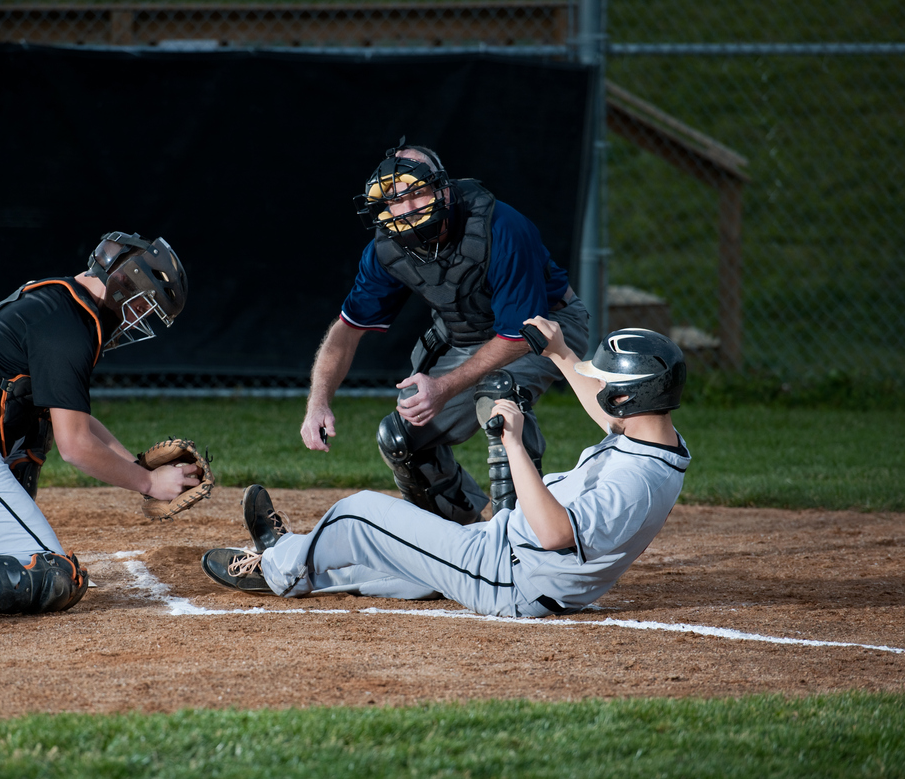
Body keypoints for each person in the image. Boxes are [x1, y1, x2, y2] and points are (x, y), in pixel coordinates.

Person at [204, 321, 690, 618]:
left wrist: (514, 444)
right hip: (508, 555)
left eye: (606, 380)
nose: (598, 384)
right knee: (382, 564)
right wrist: (561, 353)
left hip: (513, 577)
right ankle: (299, 565)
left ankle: (278, 564)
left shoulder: (637, 480)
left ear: (630, 396)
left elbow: (555, 534)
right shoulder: (655, 436)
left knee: (359, 514)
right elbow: (609, 416)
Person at [0, 232, 198, 625]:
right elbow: (75, 445)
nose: (138, 318)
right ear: (122, 284)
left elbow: (75, 418)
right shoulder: (69, 327)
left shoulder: (60, 304)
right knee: (56, 574)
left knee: (37, 433)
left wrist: (136, 464)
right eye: (144, 303)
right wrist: (148, 484)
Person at [300, 139, 591, 524]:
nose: (404, 210)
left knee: (499, 402)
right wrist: (317, 402)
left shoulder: (500, 228)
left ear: (444, 189)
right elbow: (346, 331)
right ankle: (456, 537)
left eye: (416, 194)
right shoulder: (385, 250)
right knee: (400, 438)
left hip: (548, 327)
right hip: (468, 334)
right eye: (392, 201)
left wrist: (444, 387)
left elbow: (518, 335)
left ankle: (521, 535)